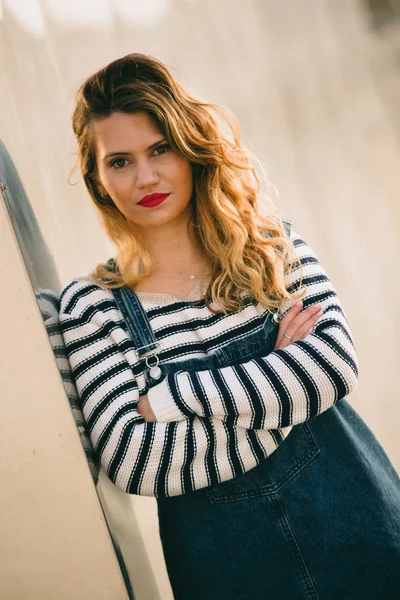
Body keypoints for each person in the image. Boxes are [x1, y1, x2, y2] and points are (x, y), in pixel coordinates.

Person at [59, 53, 400, 600]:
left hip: (363, 533)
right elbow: (135, 460)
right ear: (99, 180)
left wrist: (173, 398)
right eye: (119, 161)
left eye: (159, 149)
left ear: (191, 148)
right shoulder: (91, 307)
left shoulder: (271, 248)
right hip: (230, 577)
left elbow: (332, 369)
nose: (145, 176)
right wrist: (284, 391)